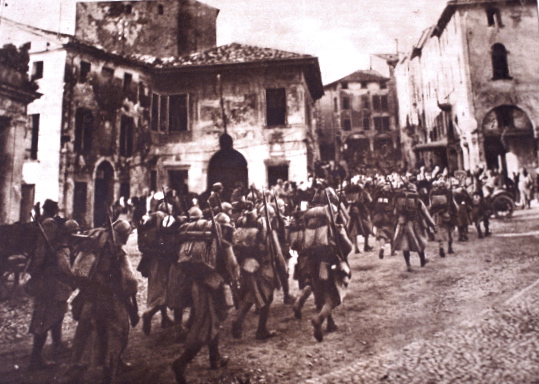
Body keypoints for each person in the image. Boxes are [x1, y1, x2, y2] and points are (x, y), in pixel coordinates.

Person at [62, 219, 139, 384]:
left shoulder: (94, 247)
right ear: (122, 235)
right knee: (117, 333)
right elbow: (130, 281)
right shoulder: (117, 252)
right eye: (126, 235)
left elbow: (79, 273)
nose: (127, 238)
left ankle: (75, 370)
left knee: (84, 334)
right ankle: (109, 371)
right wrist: (130, 293)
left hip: (90, 296)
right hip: (110, 299)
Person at [171, 208, 240, 384]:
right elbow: (233, 266)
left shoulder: (206, 241)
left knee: (212, 320)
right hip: (212, 288)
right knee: (206, 326)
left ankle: (214, 358)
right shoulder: (223, 244)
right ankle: (181, 362)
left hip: (197, 284)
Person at [27, 218, 79, 370]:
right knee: (43, 322)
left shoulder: (47, 247)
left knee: (57, 316)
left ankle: (57, 345)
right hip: (52, 289)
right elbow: (65, 269)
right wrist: (74, 279)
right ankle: (35, 359)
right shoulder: (61, 248)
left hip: (47, 289)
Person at [393, 183, 436, 272]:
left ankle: (408, 265)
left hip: (403, 224)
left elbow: (395, 213)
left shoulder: (399, 200)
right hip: (416, 224)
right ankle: (422, 260)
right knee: (420, 241)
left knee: (405, 245)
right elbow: (426, 214)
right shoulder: (418, 200)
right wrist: (432, 225)